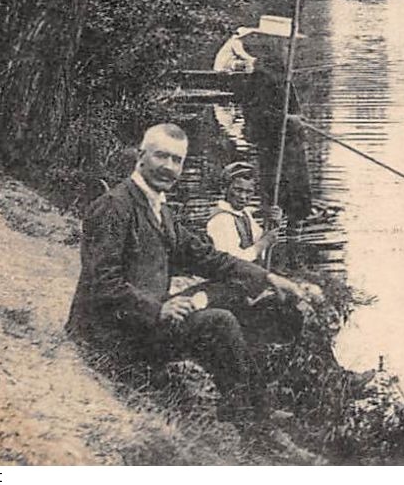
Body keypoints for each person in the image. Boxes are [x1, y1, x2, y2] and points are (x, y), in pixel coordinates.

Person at [67, 123, 319, 419]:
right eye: (162, 156)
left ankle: (250, 402)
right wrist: (157, 309)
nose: (169, 167)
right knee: (219, 321)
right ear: (140, 156)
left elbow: (207, 257)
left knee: (239, 293)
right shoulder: (114, 206)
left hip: (143, 322)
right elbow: (102, 284)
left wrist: (266, 277)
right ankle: (253, 424)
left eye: (178, 160)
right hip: (111, 336)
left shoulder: (161, 210)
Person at [208, 161, 282, 266]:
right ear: (224, 189)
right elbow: (232, 262)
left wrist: (274, 222)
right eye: (238, 190)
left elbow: (259, 238)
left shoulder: (243, 214)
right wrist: (263, 244)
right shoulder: (221, 220)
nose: (243, 197)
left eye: (248, 192)